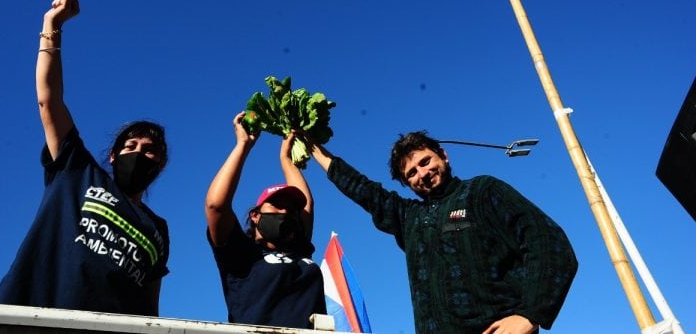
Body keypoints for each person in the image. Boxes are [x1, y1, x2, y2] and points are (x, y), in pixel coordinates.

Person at [0, 0, 170, 315]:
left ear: (161, 164)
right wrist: (52, 25)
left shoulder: (158, 230)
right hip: (24, 318)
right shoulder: (77, 170)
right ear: (113, 156)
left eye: (149, 150)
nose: (139, 153)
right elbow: (49, 100)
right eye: (130, 146)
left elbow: (149, 304)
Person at [307, 130, 578, 334]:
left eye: (425, 162)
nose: (422, 173)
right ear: (406, 183)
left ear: (444, 156)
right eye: (411, 173)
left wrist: (530, 315)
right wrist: (313, 148)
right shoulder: (409, 218)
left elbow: (546, 241)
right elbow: (363, 189)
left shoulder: (483, 191)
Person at [205, 113, 326, 328]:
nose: (285, 212)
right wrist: (243, 145)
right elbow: (216, 206)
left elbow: (306, 204)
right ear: (255, 215)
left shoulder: (299, 247)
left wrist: (286, 160)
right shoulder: (240, 252)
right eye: (277, 205)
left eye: (290, 208)